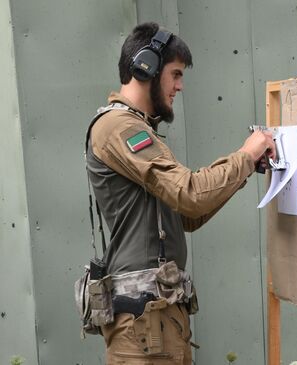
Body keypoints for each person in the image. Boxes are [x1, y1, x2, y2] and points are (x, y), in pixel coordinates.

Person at [85, 22, 275, 364]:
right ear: (146, 68)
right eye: (174, 74)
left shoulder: (139, 129)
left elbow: (187, 215)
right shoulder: (120, 128)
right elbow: (190, 194)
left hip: (159, 323)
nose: (179, 86)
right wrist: (245, 156)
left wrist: (244, 170)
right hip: (143, 329)